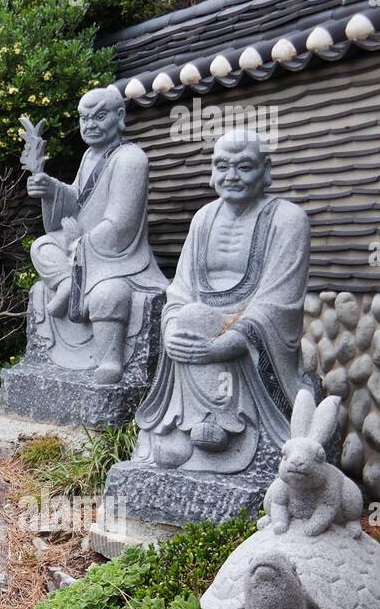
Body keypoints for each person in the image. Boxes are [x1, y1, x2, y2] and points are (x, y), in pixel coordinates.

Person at [132, 129, 312, 474]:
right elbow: (181, 289)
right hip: (199, 334)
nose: (231, 176)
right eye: (222, 166)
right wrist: (170, 328)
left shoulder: (288, 219)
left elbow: (280, 301)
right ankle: (190, 423)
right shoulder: (203, 218)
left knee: (199, 319)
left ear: (266, 170)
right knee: (190, 316)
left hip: (249, 341)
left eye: (244, 166)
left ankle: (224, 427)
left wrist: (229, 342)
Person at [24, 86, 168, 383]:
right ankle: (66, 283)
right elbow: (77, 198)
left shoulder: (131, 159)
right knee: (41, 246)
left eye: (99, 116)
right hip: (83, 245)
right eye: (83, 118)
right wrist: (50, 188)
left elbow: (121, 224)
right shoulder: (90, 155)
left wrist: (79, 242)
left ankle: (109, 362)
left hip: (120, 255)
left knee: (109, 293)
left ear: (119, 116)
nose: (89, 125)